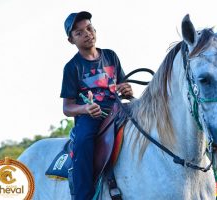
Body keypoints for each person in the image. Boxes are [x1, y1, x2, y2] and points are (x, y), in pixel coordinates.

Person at [60, 11, 133, 200]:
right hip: (91, 116)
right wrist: (85, 108)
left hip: (117, 109)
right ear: (71, 40)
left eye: (89, 28)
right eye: (79, 32)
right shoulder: (72, 67)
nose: (87, 34)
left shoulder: (110, 56)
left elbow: (122, 84)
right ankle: (83, 195)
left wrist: (126, 90)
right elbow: (67, 107)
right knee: (83, 141)